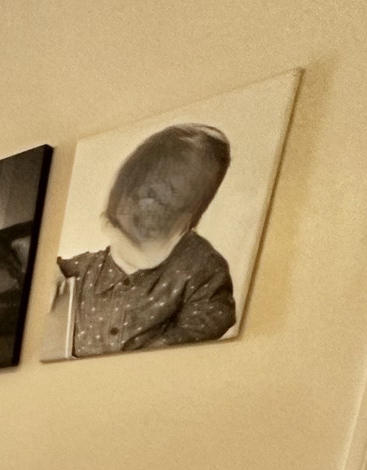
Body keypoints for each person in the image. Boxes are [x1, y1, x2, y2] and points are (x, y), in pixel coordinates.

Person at [56, 123, 237, 357]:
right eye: (144, 193)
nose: (148, 207)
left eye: (171, 198)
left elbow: (213, 314)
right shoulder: (85, 270)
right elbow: (37, 271)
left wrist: (159, 350)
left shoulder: (198, 265)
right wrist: (50, 274)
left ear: (189, 219)